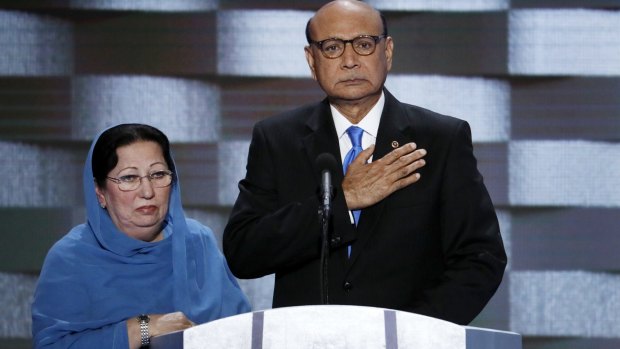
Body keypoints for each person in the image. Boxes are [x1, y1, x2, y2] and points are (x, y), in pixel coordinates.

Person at [223, 0, 506, 325]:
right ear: (311, 60)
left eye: (363, 44)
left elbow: (480, 258)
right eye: (331, 47)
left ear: (386, 52)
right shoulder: (276, 139)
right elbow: (244, 252)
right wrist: (341, 203)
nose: (349, 61)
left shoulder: (441, 138)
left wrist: (411, 333)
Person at [32, 124, 250, 348]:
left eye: (157, 174)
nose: (147, 191)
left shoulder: (197, 241)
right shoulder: (71, 258)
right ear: (100, 193)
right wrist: (140, 328)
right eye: (129, 178)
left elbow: (242, 331)